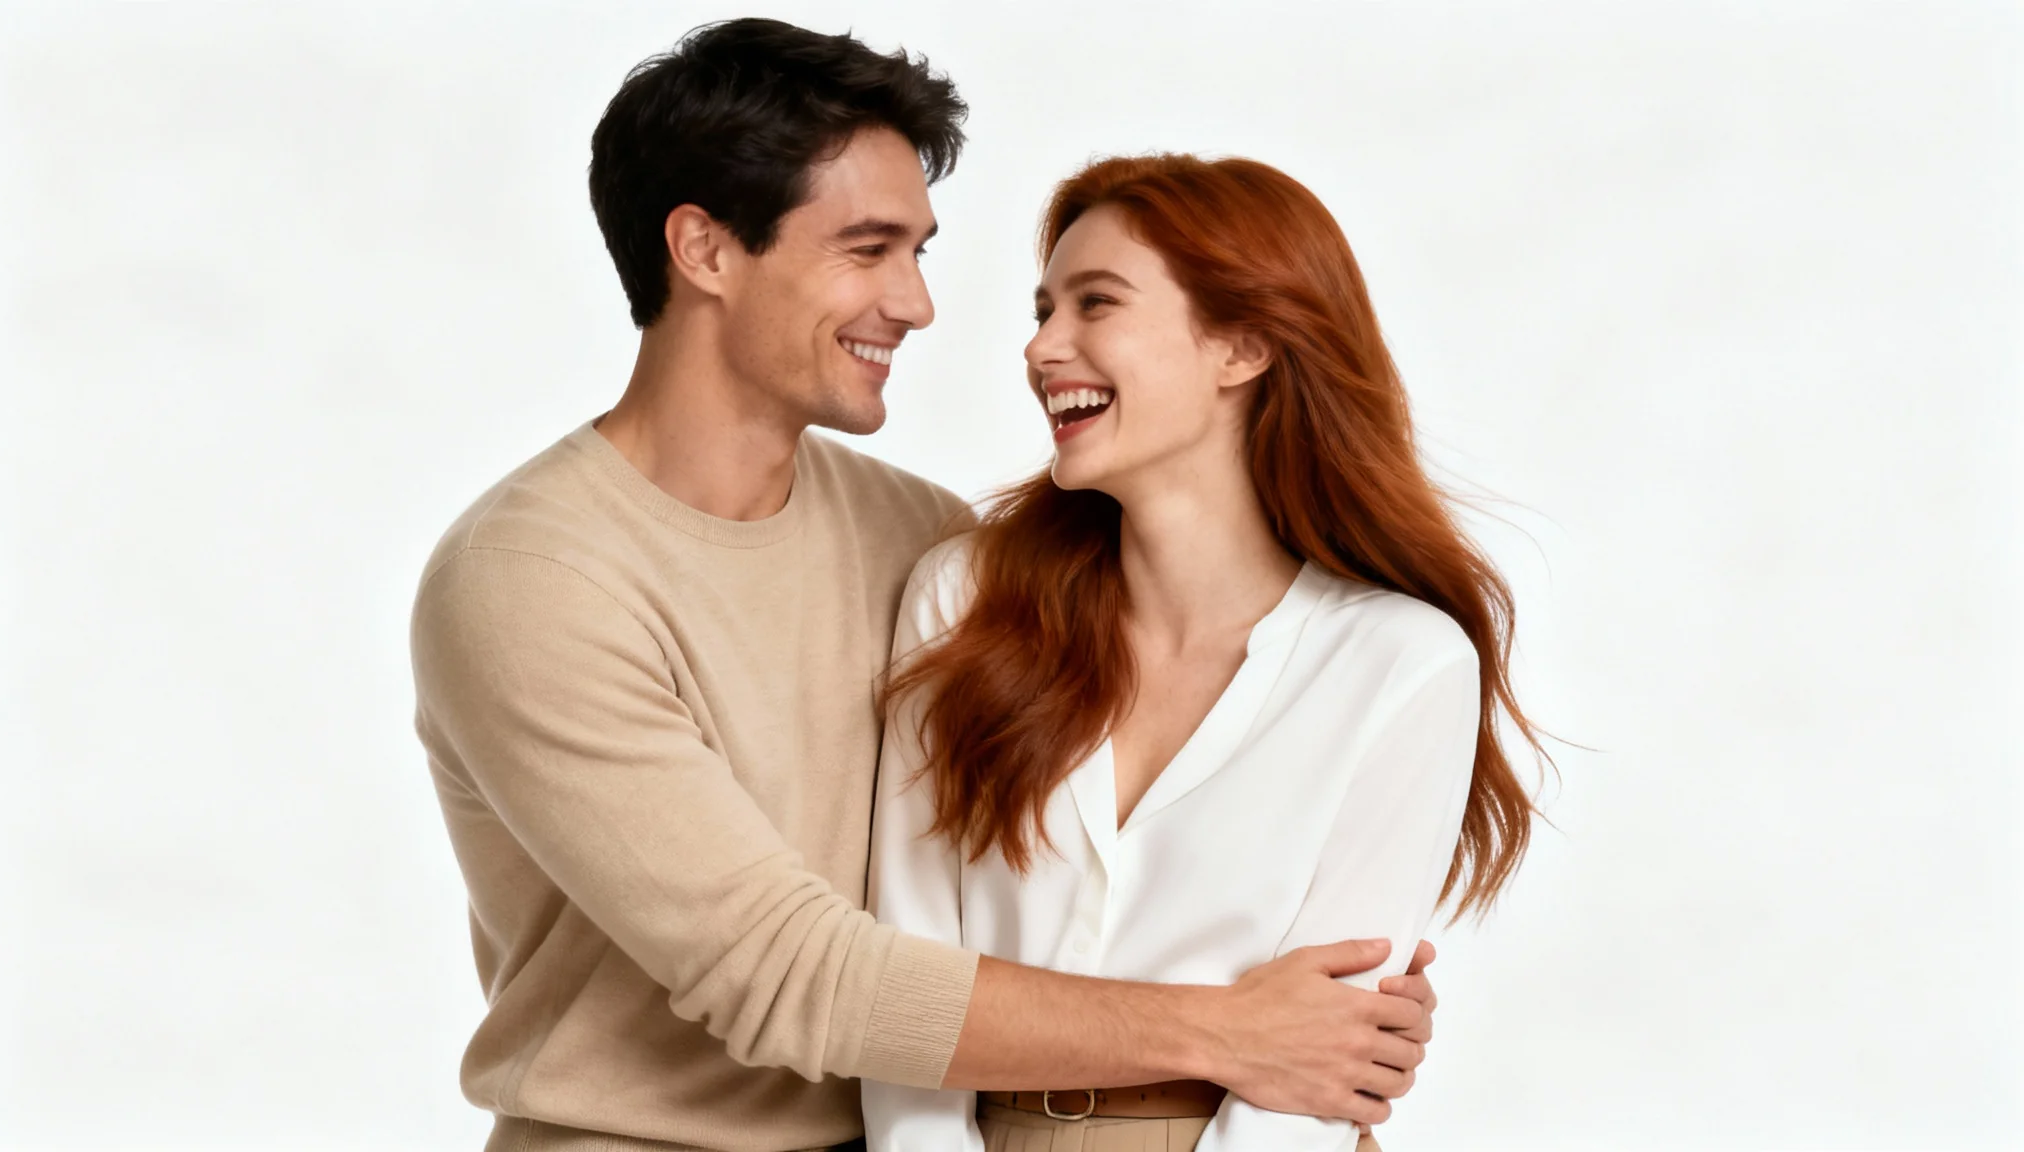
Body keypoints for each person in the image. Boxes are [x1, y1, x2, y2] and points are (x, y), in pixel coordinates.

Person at [410, 20, 1445, 1152]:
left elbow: (1040, 893)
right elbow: (785, 977)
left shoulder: (927, 545)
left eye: (919, 252)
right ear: (703, 250)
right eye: (866, 249)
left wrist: (1333, 1026)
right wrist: (1230, 1033)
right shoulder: (530, 581)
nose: (915, 304)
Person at [862, 154, 1544, 1151]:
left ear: (1242, 344)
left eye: (1094, 303)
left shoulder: (1399, 665)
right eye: (1042, 308)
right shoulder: (963, 600)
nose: (1041, 346)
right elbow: (904, 988)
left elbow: (1317, 1074)